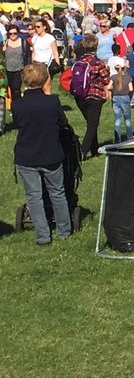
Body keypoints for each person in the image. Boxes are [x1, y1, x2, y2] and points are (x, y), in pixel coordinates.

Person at [13, 63, 72, 245]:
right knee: (58, 192)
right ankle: (64, 231)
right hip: (50, 153)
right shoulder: (52, 102)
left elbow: (17, 124)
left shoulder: (18, 104)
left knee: (34, 197)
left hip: (26, 155)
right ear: (45, 79)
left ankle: (43, 236)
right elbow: (63, 122)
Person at [70, 35, 110, 159]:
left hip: (80, 96)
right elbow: (106, 80)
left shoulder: (79, 62)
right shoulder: (98, 63)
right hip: (94, 96)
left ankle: (95, 149)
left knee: (91, 123)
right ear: (96, 46)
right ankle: (82, 152)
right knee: (92, 125)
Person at [3, 23, 28, 103]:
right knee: (11, 88)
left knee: (16, 88)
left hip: (19, 69)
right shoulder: (5, 43)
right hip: (8, 69)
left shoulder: (23, 42)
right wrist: (3, 50)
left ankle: (17, 105)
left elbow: (27, 55)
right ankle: (14, 105)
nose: (12, 35)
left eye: (15, 33)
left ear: (18, 33)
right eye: (10, 34)